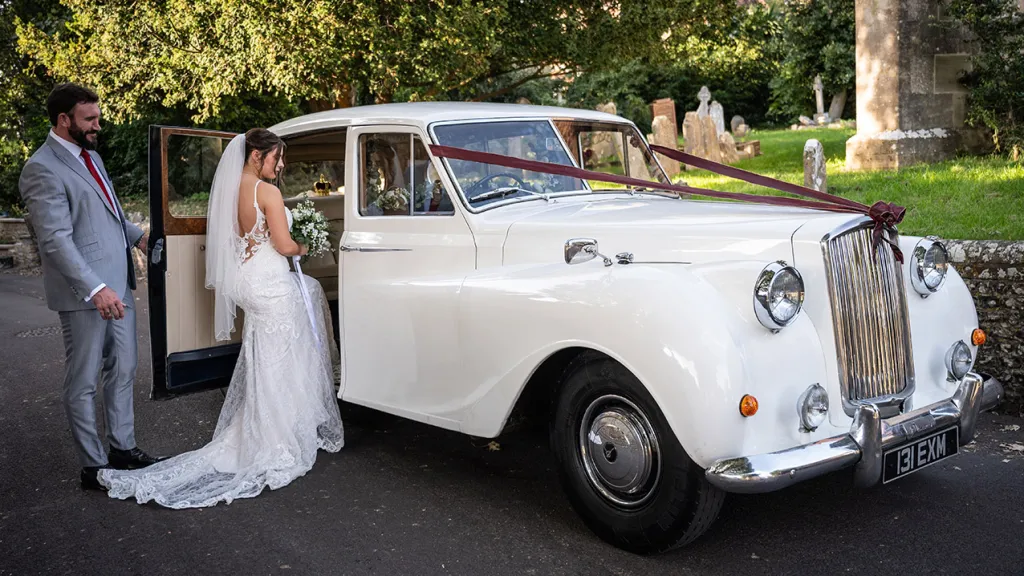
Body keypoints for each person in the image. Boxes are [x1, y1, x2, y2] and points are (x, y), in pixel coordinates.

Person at [96, 128, 344, 508]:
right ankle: (280, 436)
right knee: (292, 336)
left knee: (269, 349)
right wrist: (305, 245)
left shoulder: (230, 189)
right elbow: (282, 245)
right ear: (257, 155)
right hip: (269, 281)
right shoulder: (269, 192)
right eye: (277, 158)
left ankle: (267, 426)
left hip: (248, 281)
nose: (281, 165)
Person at [18, 83, 164, 491]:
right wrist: (95, 288)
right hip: (87, 294)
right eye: (90, 119)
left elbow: (110, 211)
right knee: (82, 379)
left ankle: (123, 448)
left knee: (125, 368)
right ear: (64, 120)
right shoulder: (41, 168)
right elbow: (55, 241)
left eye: (97, 117)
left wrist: (139, 237)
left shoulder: (92, 157)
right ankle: (93, 466)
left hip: (120, 284)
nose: (98, 124)